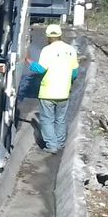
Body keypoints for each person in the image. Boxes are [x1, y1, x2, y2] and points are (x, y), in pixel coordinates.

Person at [29, 24, 79, 153]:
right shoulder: (70, 50)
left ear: (48, 37)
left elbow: (40, 69)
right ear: (60, 35)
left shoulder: (47, 50)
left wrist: (30, 62)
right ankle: (60, 143)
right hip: (63, 92)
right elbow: (74, 72)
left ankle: (52, 145)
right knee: (60, 119)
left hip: (48, 92)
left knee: (47, 120)